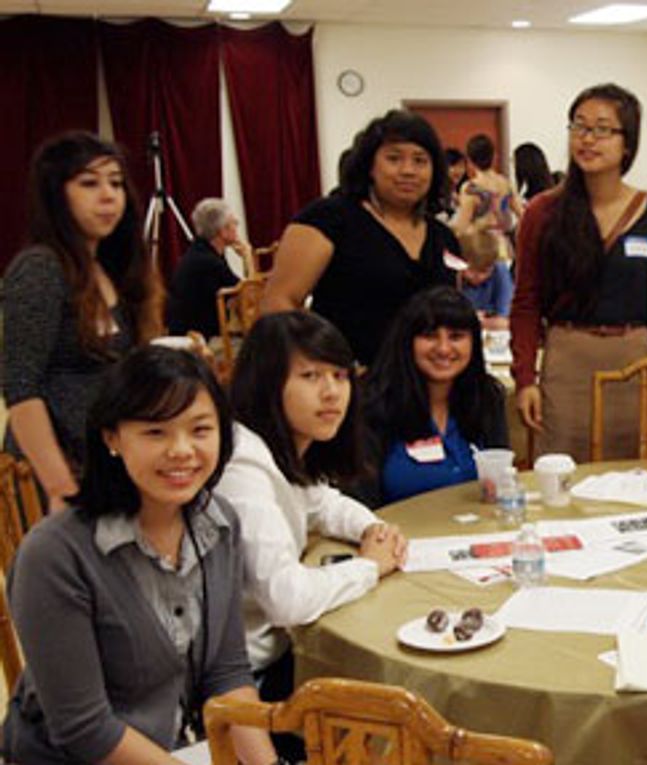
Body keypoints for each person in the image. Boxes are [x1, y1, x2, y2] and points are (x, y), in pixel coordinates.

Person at [3, 346, 276, 764]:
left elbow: (227, 673)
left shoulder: (219, 524)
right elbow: (85, 728)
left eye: (200, 430)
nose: (182, 450)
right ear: (112, 438)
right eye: (155, 432)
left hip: (171, 749)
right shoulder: (54, 555)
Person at [214, 311, 405, 712]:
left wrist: (373, 529)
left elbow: (324, 503)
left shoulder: (285, 444)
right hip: (248, 680)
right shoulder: (242, 463)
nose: (332, 392)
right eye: (311, 376)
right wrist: (369, 567)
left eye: (339, 375)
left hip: (278, 652)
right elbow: (287, 600)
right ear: (267, 383)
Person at [510, 83, 647, 462]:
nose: (588, 139)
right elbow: (525, 302)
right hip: (567, 362)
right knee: (562, 473)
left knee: (635, 474)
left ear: (628, 143)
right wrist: (525, 378)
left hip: (637, 362)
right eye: (579, 126)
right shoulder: (543, 212)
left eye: (603, 129)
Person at [2, 131, 165, 511]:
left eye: (116, 183)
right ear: (56, 195)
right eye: (89, 183)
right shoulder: (40, 269)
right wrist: (59, 485)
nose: (108, 196)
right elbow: (21, 387)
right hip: (57, 470)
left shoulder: (108, 267)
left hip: (104, 457)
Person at [261, 109, 459, 365]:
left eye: (420, 161)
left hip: (426, 378)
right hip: (347, 377)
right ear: (370, 166)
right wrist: (321, 368)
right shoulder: (328, 219)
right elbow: (279, 304)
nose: (408, 170)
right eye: (394, 158)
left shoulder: (443, 237)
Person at [362, 286, 509, 505]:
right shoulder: (373, 405)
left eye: (456, 337)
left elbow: (501, 479)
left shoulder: (487, 398)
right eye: (429, 336)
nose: (443, 349)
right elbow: (359, 500)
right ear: (407, 342)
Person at [167, 198, 249, 339]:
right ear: (222, 231)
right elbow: (249, 296)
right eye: (233, 222)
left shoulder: (201, 252)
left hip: (196, 334)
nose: (237, 224)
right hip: (200, 341)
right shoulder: (208, 262)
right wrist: (248, 257)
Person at [450, 133, 523, 244]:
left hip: (481, 246)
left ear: (470, 160)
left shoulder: (470, 188)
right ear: (493, 156)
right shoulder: (506, 184)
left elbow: (461, 228)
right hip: (503, 244)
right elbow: (522, 215)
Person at [458, 228, 513, 329]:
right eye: (470, 270)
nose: (476, 276)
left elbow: (506, 320)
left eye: (483, 271)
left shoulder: (499, 270)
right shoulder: (453, 275)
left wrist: (472, 321)